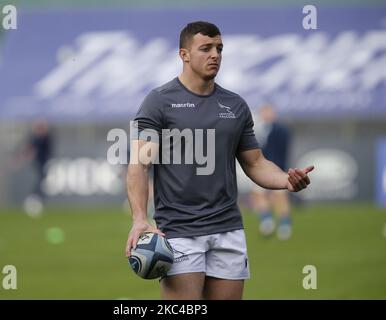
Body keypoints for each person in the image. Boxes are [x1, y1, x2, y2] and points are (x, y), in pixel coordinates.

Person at [125, 21, 314, 300]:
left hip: (229, 230)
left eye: (219, 48)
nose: (215, 54)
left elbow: (255, 163)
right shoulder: (159, 102)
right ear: (184, 54)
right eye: (206, 48)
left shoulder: (235, 105)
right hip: (178, 232)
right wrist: (140, 217)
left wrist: (285, 180)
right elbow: (139, 164)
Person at [250, 104, 293, 240]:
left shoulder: (281, 130)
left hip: (277, 169)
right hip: (262, 170)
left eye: (268, 112)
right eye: (263, 112)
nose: (265, 115)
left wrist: (281, 170)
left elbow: (283, 151)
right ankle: (266, 221)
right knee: (258, 193)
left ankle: (284, 226)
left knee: (279, 197)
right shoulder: (258, 130)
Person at [16, 119, 53, 216]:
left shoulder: (46, 137)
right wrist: (22, 158)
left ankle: (36, 200)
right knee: (40, 181)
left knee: (41, 182)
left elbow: (47, 151)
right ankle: (33, 199)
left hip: (44, 162)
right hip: (38, 163)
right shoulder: (36, 138)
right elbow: (29, 149)